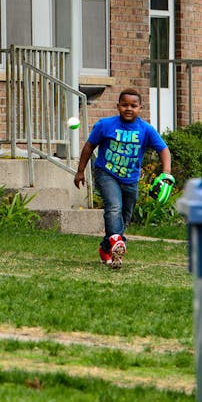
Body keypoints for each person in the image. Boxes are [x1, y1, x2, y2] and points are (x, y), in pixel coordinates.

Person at [73, 88, 170, 268]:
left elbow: (163, 149)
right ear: (118, 106)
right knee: (114, 206)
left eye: (133, 106)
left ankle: (106, 248)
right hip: (106, 172)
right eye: (124, 105)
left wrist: (166, 173)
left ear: (140, 107)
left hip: (130, 179)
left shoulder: (146, 130)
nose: (128, 108)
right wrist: (80, 171)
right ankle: (117, 241)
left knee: (125, 216)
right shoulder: (105, 125)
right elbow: (89, 146)